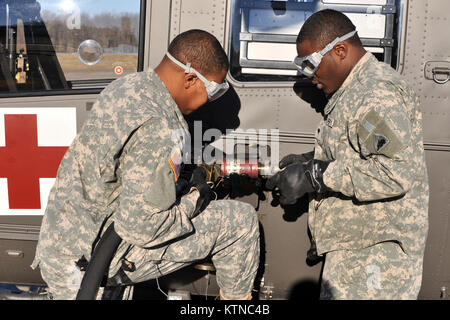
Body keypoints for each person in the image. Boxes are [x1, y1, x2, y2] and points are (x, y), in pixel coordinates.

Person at [31, 29, 260, 300]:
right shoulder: (162, 127)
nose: (211, 99)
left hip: (62, 244)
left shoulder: (130, 86)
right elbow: (141, 228)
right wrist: (196, 198)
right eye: (213, 89)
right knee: (240, 222)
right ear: (189, 78)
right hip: (92, 264)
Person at [266, 9, 429, 300]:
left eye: (312, 64)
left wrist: (315, 175)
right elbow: (360, 149)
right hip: (361, 249)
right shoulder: (354, 92)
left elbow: (394, 172)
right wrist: (310, 160)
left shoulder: (373, 94)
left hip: (375, 259)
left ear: (340, 50)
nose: (310, 76)